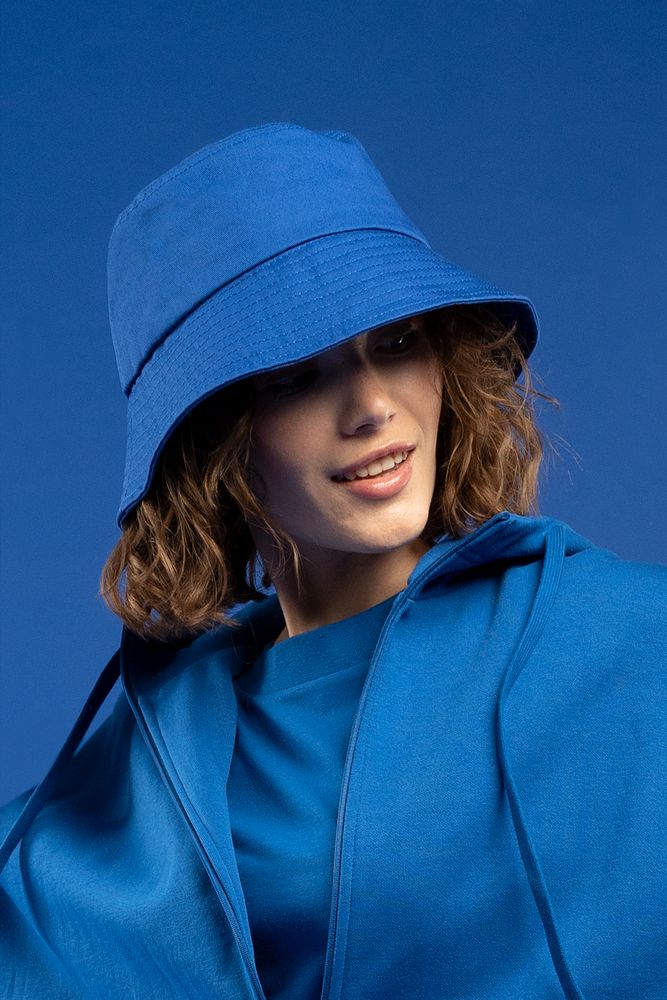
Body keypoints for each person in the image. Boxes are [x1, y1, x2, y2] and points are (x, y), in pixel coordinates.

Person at [0, 122, 665, 1000]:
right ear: (211, 440)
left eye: (395, 343)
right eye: (292, 376)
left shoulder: (628, 637)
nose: (371, 407)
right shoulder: (149, 757)